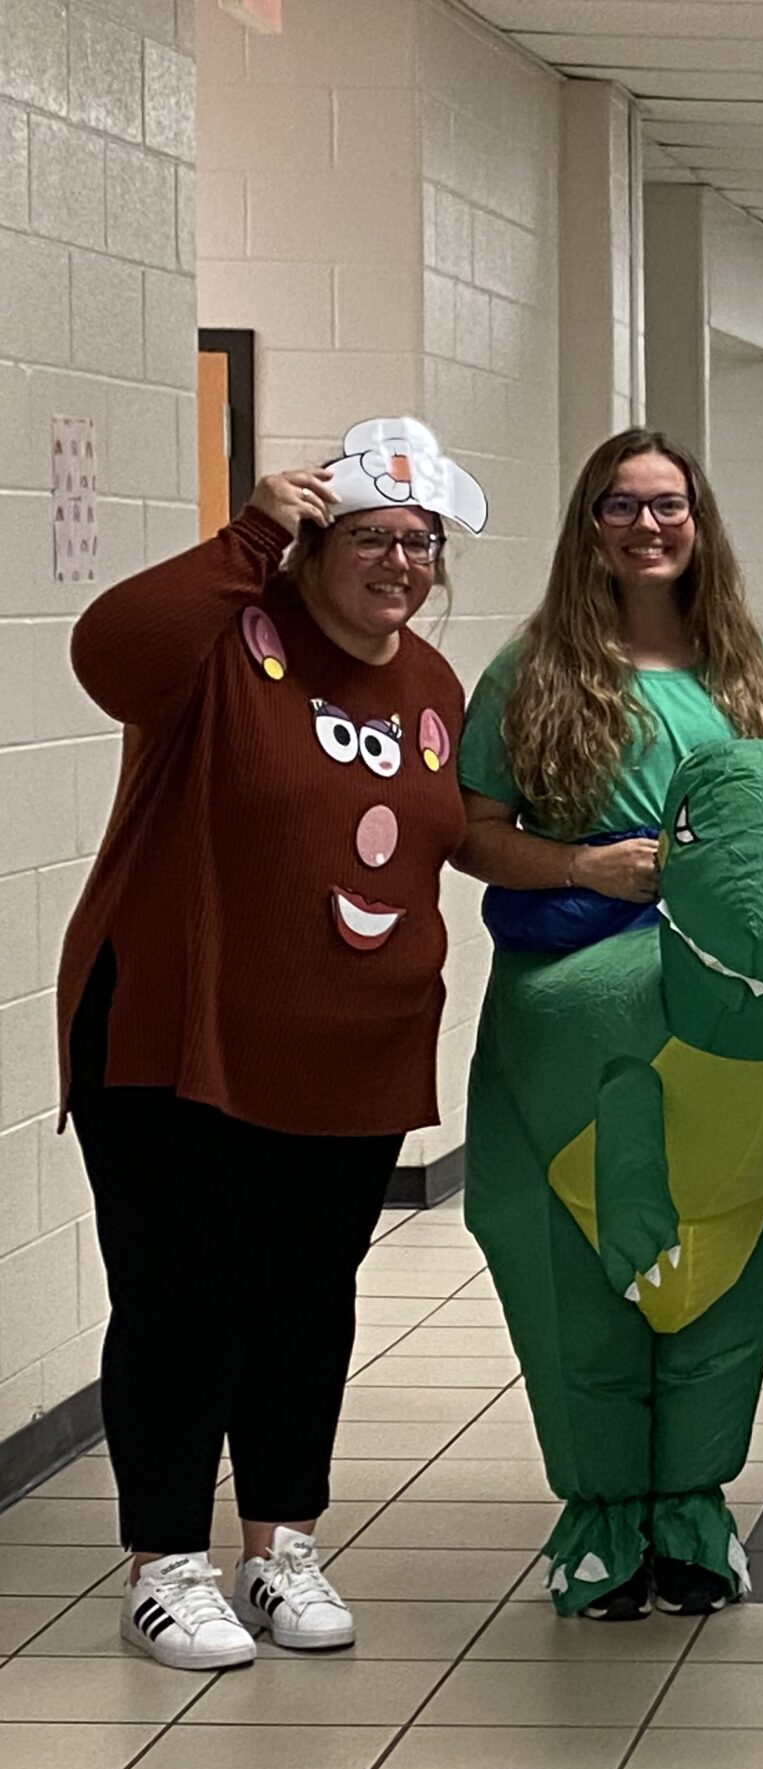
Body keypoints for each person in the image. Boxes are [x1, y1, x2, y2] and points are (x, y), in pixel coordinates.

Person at [58, 417, 484, 1670]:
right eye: (370, 536)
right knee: (188, 1302)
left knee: (308, 1304)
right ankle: (164, 1562)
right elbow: (107, 655)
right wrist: (246, 534)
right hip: (175, 1040)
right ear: (311, 542)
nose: (400, 561)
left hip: (352, 1050)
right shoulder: (221, 645)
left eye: (421, 542)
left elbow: (440, 836)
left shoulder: (431, 685)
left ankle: (279, 1544)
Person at [456, 427, 763, 1620]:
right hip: (568, 1012)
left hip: (713, 1022)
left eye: (670, 506)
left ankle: (691, 1507)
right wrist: (579, 865)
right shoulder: (530, 673)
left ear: (700, 523)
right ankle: (603, 1517)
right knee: (569, 1249)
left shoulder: (752, 672)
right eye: (621, 505)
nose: (648, 527)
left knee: (724, 1242)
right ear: (586, 525)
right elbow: (471, 830)